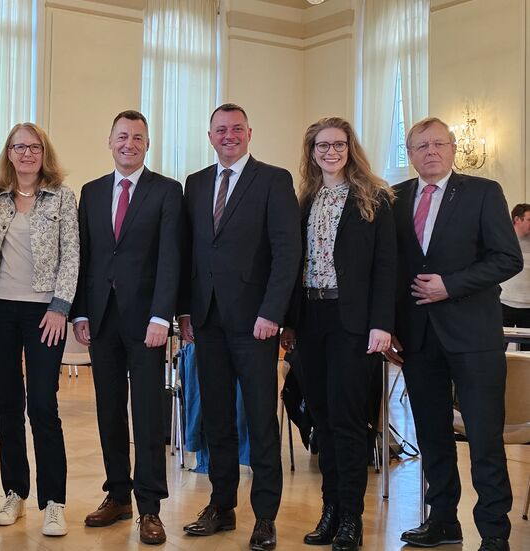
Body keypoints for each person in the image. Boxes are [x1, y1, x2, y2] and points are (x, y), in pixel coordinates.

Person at [385, 117, 520, 551]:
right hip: (418, 340)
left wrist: (451, 284)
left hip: (473, 337)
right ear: (410, 153)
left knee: (483, 438)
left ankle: (494, 532)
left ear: (453, 148)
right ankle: (443, 521)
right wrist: (389, 329)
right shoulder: (395, 198)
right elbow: (388, 270)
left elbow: (506, 258)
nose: (430, 151)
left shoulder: (483, 192)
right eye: (421, 145)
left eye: (438, 143)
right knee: (432, 437)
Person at [178, 103, 301, 551]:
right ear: (209, 136)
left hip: (256, 324)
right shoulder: (195, 183)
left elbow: (288, 252)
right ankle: (222, 504)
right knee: (215, 418)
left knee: (260, 421)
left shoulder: (273, 180)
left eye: (236, 129)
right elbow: (188, 253)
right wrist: (185, 311)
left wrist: (274, 312)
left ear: (250, 132)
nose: (228, 136)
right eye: (220, 130)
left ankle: (265, 516)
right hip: (206, 322)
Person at [279, 117, 396, 550]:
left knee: (347, 422)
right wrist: (288, 321)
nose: (330, 151)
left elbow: (386, 267)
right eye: (321, 145)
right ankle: (329, 510)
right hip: (311, 318)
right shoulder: (305, 198)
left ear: (351, 147)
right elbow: (294, 264)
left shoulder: (375, 198)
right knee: (321, 419)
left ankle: (351, 517)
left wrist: (382, 324)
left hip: (355, 323)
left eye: (338, 144)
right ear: (311, 151)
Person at [71, 110, 182, 545]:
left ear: (147, 144)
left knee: (148, 414)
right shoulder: (92, 191)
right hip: (101, 319)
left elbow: (171, 257)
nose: (129, 143)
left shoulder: (167, 191)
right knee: (108, 409)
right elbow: (83, 256)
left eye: (137, 137)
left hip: (147, 321)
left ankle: (150, 507)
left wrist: (162, 315)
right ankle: (117, 494)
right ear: (110, 141)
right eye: (122, 136)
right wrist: (80, 312)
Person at [0, 122, 79, 537]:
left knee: (43, 406)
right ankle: (14, 492)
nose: (27, 153)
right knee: (7, 404)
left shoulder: (63, 196)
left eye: (34, 147)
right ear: (8, 153)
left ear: (44, 153)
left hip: (44, 313)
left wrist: (60, 308)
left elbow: (72, 256)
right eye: (19, 147)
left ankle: (54, 502)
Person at [499, 203, 530, 339]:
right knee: (498, 347)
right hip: (504, 303)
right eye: (529, 220)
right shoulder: (502, 239)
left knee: (527, 354)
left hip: (528, 307)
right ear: (517, 219)